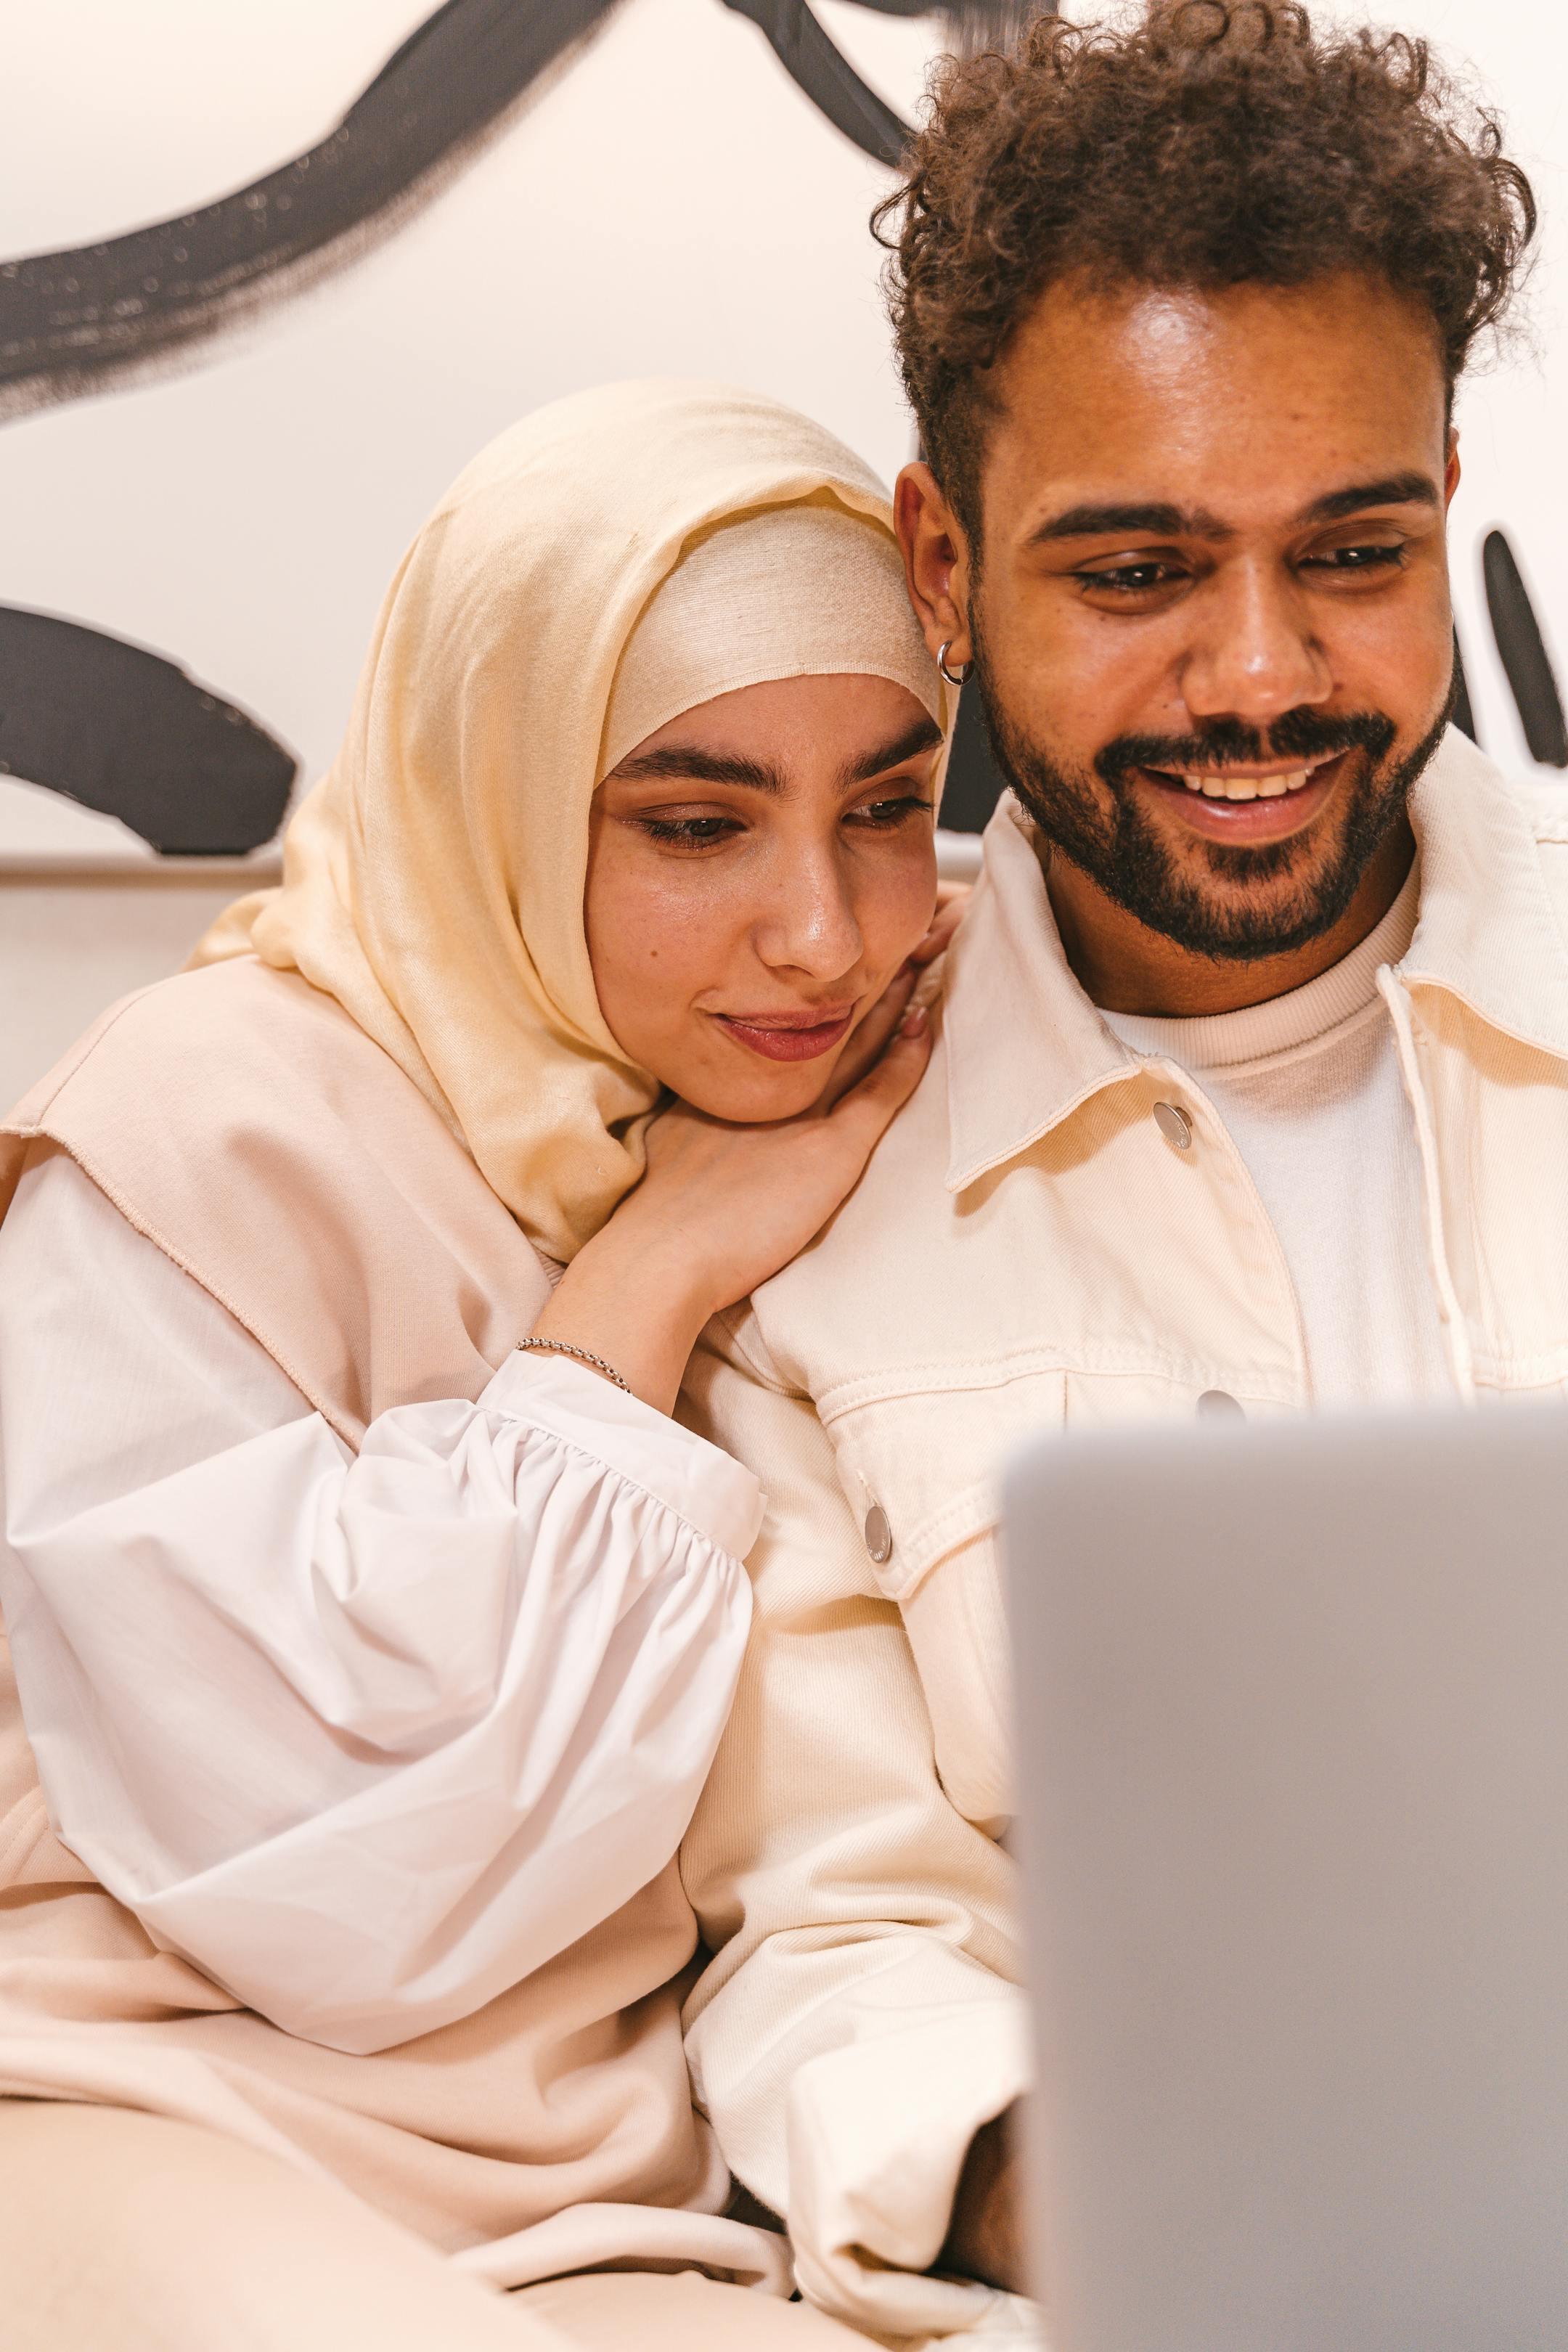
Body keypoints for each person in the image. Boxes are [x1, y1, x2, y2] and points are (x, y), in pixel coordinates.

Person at [677, 5, 1552, 2340]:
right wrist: (1146, 2215)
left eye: (1349, 554)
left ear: (1445, 503)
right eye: (1139, 567)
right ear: (944, 570)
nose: (1259, 678)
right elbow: (840, 1938)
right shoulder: (809, 1223)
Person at [0, 378, 957, 2350]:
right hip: (145, 2120)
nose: (821, 932)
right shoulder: (200, 1133)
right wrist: (659, 1267)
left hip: (627, 2205)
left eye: (888, 804)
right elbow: (346, 1884)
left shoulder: (813, 1107)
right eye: (697, 822)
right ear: (491, 784)